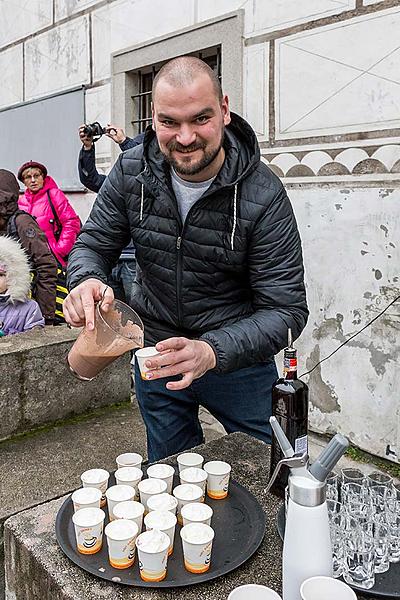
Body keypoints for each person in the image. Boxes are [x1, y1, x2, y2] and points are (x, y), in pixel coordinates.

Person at [65, 56, 308, 462]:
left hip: (236, 363)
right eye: (169, 122)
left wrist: (210, 350)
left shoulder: (264, 195)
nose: (184, 136)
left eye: (200, 119)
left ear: (225, 110)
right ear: (154, 120)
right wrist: (85, 278)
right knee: (169, 478)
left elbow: (286, 310)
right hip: (156, 354)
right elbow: (92, 243)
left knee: (269, 475)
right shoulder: (131, 169)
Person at [78, 124, 144, 305]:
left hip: (133, 261)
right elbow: (90, 179)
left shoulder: (151, 188)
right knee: (113, 315)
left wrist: (124, 142)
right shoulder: (118, 185)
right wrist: (88, 147)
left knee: (137, 317)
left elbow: (142, 164)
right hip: (113, 261)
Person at [0, 169, 57, 324]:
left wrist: (45, 315)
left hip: (26, 310)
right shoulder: (3, 223)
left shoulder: (22, 223)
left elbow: (46, 266)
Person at [17, 161, 81, 267]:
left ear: (43, 177)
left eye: (36, 176)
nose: (33, 180)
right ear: (24, 182)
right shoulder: (21, 202)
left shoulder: (54, 194)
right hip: (32, 259)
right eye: (28, 177)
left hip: (54, 258)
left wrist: (60, 250)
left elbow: (71, 222)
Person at [0, 235, 45, 335]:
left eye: (1, 275)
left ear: (13, 276)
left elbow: (35, 338)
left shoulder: (29, 308)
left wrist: (6, 334)